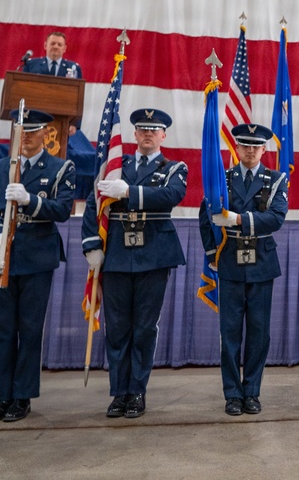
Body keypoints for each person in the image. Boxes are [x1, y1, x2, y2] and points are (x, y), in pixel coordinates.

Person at [81, 108, 187, 419]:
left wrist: (129, 191)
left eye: (154, 129)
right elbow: (94, 203)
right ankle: (119, 392)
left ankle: (138, 390)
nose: (148, 134)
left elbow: (171, 195)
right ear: (134, 134)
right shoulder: (117, 165)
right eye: (142, 129)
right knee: (117, 328)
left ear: (163, 135)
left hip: (153, 254)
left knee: (143, 328)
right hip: (115, 254)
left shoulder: (174, 167)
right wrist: (91, 246)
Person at [0, 109, 75, 424]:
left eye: (34, 131)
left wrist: (31, 200)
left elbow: (62, 210)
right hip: (5, 256)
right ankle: (1, 395)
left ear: (45, 133)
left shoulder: (60, 167)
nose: (28, 137)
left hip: (36, 257)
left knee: (30, 329)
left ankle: (22, 396)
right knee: (3, 329)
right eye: (23, 131)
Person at [199, 124, 289, 417]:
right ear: (236, 149)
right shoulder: (223, 178)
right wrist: (213, 254)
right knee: (230, 332)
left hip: (261, 261)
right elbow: (205, 215)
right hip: (230, 260)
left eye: (256, 146)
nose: (250, 151)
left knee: (259, 333)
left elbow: (275, 218)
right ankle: (232, 394)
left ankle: (252, 391)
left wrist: (238, 219)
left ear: (264, 150)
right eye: (245, 146)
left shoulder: (275, 180)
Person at [23, 31, 83, 134]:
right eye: (52, 43)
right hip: (33, 119)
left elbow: (78, 98)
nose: (56, 46)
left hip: (61, 121)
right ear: (45, 45)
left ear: (64, 48)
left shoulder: (73, 68)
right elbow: (23, 90)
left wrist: (74, 123)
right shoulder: (31, 65)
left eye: (59, 44)